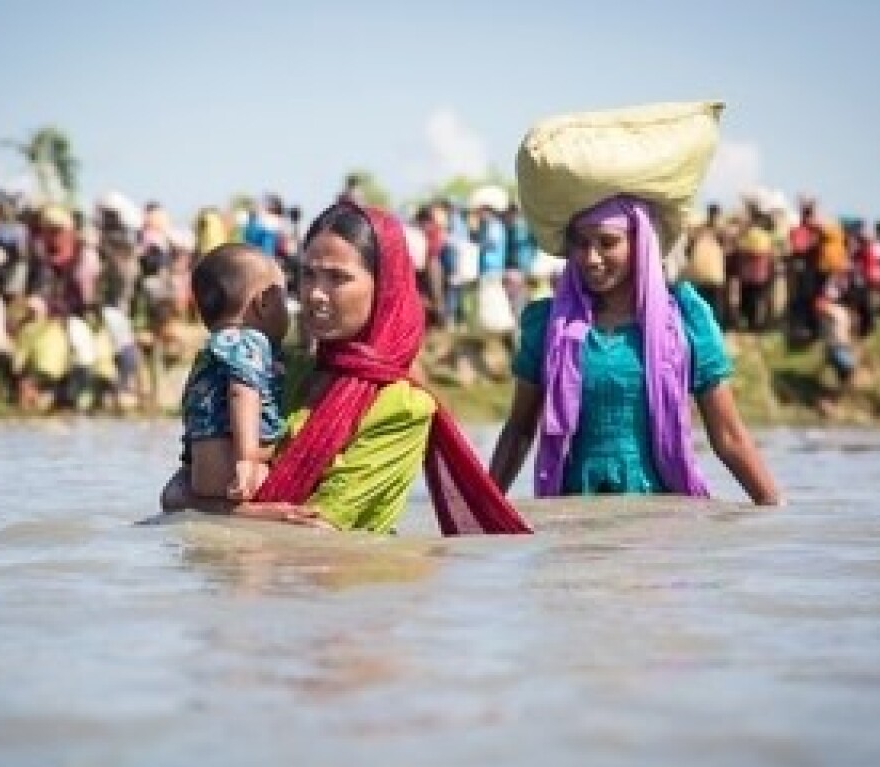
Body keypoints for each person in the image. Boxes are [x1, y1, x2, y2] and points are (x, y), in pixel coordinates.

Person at [160, 202, 530, 535]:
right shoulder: (277, 370)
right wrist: (233, 509)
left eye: (337, 278)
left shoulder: (404, 407)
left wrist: (211, 508)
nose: (315, 294)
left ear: (383, 287)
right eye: (308, 275)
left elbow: (317, 530)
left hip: (345, 598)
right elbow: (176, 489)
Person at [488, 195, 781, 505]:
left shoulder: (685, 321)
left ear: (640, 242)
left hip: (660, 523)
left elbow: (728, 436)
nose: (591, 258)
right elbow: (519, 431)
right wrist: (480, 511)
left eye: (607, 242)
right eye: (580, 243)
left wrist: (772, 504)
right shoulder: (550, 324)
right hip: (573, 524)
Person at [179, 243, 289, 501]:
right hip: (233, 467)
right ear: (264, 303)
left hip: (200, 474)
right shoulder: (249, 340)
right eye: (284, 298)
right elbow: (242, 392)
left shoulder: (209, 352)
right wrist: (247, 459)